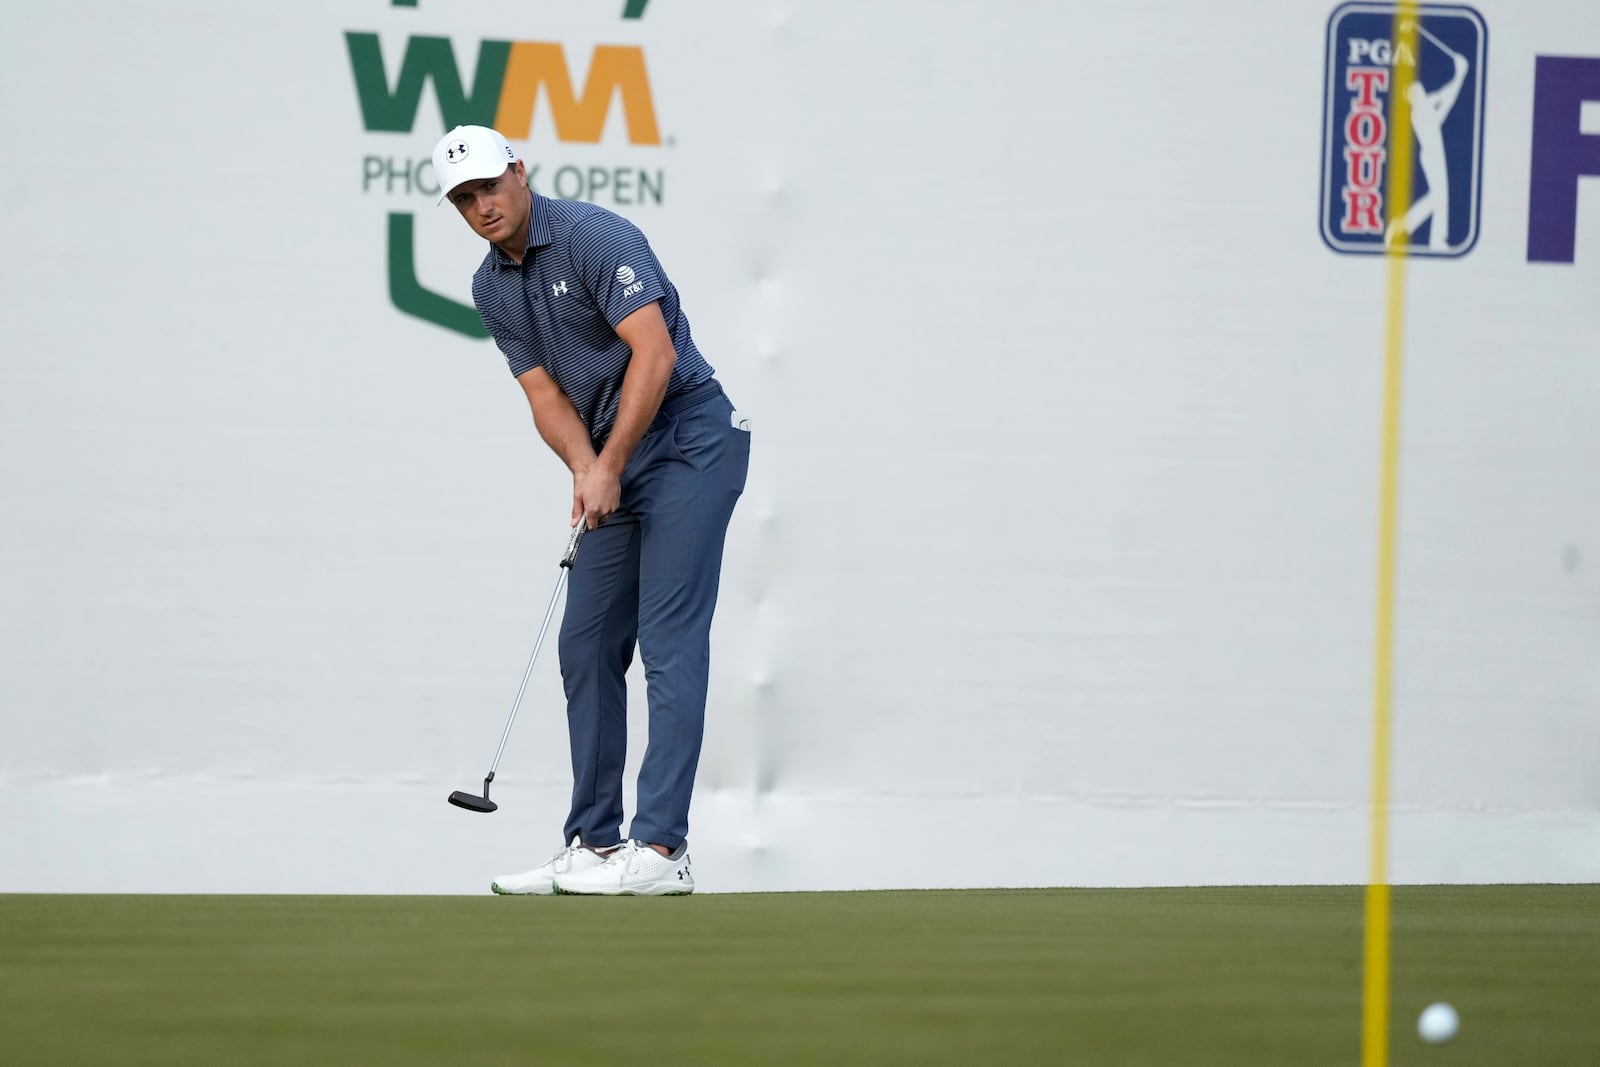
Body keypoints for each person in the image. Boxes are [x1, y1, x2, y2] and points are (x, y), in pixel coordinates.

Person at [431, 125, 750, 896]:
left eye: (489, 187)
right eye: (463, 198)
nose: (481, 206)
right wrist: (585, 466)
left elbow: (657, 354)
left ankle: (663, 850)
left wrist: (608, 462)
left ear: (519, 171)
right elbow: (543, 394)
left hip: (689, 438)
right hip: (613, 453)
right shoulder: (489, 286)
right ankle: (595, 843)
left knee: (668, 640)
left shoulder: (592, 234)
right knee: (585, 645)